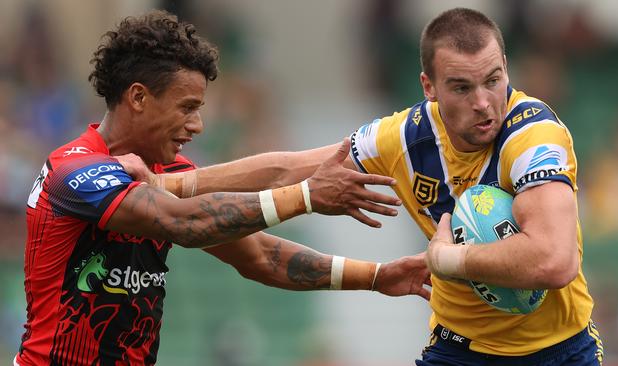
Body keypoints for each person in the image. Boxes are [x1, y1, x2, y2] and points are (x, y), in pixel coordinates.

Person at [136, 7, 603, 366]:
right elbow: (288, 168)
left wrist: (448, 259)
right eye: (461, 87)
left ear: (505, 68)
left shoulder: (532, 134)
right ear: (429, 86)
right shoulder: (402, 138)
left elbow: (554, 259)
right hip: (462, 349)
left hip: (559, 349)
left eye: (494, 80)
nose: (484, 104)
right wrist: (171, 183)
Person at [15, 10, 433, 366]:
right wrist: (306, 197)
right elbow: (184, 222)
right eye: (188, 108)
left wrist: (377, 276)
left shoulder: (167, 171)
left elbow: (263, 256)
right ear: (139, 97)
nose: (197, 125)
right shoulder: (73, 171)